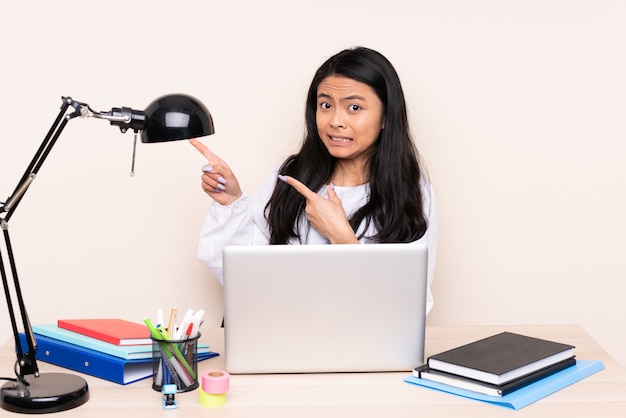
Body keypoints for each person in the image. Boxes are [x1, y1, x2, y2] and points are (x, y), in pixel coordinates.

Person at [190, 46, 437, 313]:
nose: (335, 121)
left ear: (386, 117)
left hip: (365, 347)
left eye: (354, 107)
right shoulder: (293, 175)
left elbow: (409, 305)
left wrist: (342, 237)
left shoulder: (412, 191)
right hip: (286, 337)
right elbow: (241, 271)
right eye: (326, 105)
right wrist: (231, 203)